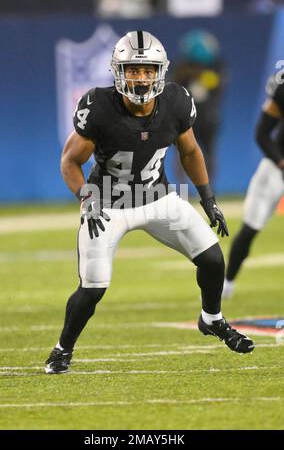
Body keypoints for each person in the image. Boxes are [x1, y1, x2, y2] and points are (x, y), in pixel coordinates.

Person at [45, 31, 254, 374]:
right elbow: (70, 161)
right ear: (118, 71)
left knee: (213, 259)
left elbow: (190, 151)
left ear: (160, 71)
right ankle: (62, 349)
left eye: (147, 70)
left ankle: (212, 318)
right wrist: (87, 198)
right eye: (133, 70)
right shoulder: (98, 106)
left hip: (157, 198)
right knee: (93, 287)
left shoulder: (176, 101)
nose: (140, 78)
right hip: (108, 205)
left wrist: (209, 200)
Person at [223, 73, 284, 299]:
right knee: (251, 227)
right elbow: (262, 134)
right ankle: (227, 283)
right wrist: (280, 161)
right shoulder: (282, 88)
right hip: (276, 168)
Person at [172, 29, 227, 181]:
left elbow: (219, 90)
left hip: (208, 116)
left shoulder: (216, 68)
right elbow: (174, 91)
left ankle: (209, 191)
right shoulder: (181, 70)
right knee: (182, 152)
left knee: (208, 153)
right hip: (187, 117)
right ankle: (182, 190)